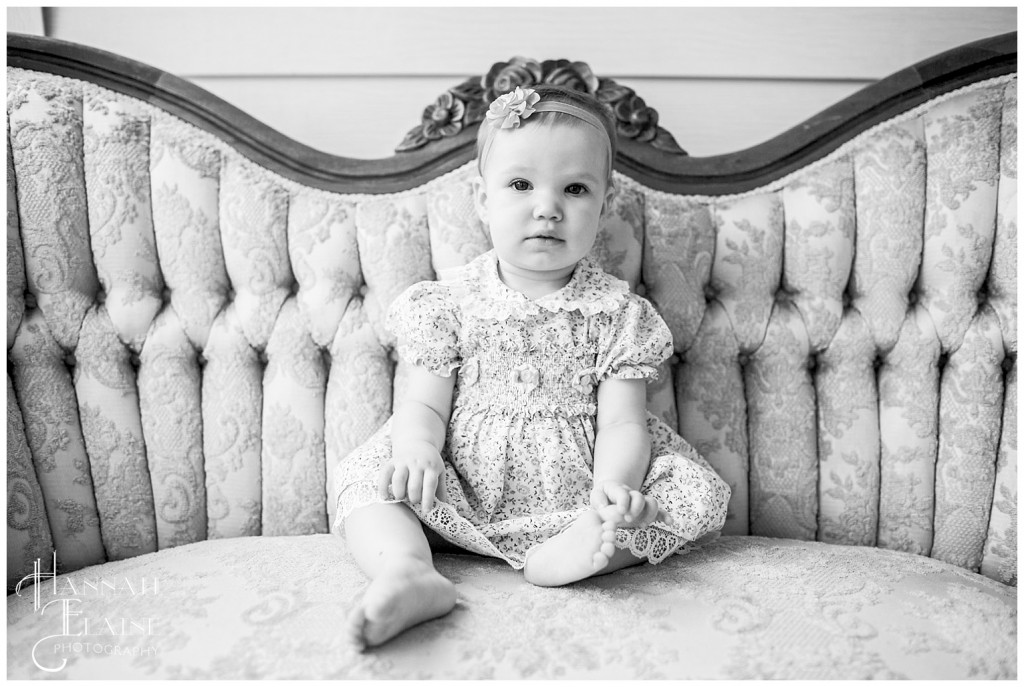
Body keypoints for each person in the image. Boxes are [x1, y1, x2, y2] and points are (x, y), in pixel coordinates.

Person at [334, 84, 731, 649]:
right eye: (521, 184)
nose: (547, 207)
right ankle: (408, 570)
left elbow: (623, 423)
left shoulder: (618, 314)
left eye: (574, 188)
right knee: (368, 477)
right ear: (482, 199)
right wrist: (417, 447)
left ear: (603, 203)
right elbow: (422, 401)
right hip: (461, 481)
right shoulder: (449, 302)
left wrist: (612, 490)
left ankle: (579, 552)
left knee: (676, 495)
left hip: (576, 488)